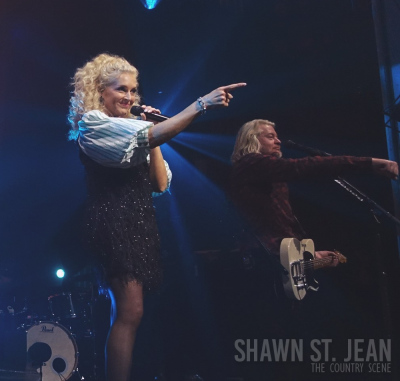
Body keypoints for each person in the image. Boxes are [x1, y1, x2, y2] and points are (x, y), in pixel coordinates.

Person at [67, 53, 245, 381]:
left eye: (134, 91)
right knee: (131, 312)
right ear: (99, 91)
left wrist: (153, 129)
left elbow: (160, 183)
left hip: (138, 225)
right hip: (112, 222)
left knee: (132, 313)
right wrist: (200, 104)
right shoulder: (92, 125)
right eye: (121, 89)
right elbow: (148, 138)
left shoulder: (137, 129)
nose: (130, 97)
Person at [229, 119, 397, 257]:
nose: (278, 141)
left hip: (279, 254)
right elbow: (304, 166)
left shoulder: (269, 173)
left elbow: (281, 223)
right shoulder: (250, 163)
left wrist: (311, 256)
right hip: (263, 255)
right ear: (252, 139)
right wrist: (368, 163)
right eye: (270, 136)